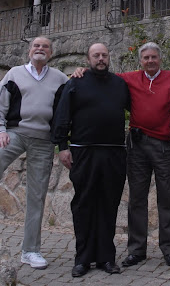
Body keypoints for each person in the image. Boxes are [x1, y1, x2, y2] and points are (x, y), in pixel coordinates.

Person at [0, 36, 67, 269]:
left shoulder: (60, 79)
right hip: (15, 133)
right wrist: (0, 131)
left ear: (51, 53)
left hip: (43, 141)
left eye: (45, 47)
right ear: (29, 51)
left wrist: (81, 72)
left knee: (37, 194)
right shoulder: (14, 74)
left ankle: (30, 250)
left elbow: (70, 104)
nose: (40, 49)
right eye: (36, 46)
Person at [52, 43, 130, 278]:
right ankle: (83, 258)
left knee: (109, 204)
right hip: (83, 151)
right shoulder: (76, 81)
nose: (100, 59)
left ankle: (107, 257)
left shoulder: (119, 84)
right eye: (96, 55)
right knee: (84, 204)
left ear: (109, 58)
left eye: (104, 55)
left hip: (113, 152)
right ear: (88, 59)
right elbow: (62, 114)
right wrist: (62, 146)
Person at [121, 42, 170, 268]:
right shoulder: (130, 78)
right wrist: (82, 70)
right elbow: (103, 75)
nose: (150, 61)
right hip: (137, 145)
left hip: (164, 145)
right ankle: (136, 250)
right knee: (137, 198)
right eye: (145, 58)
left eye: (154, 57)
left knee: (168, 197)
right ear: (140, 61)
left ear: (160, 59)